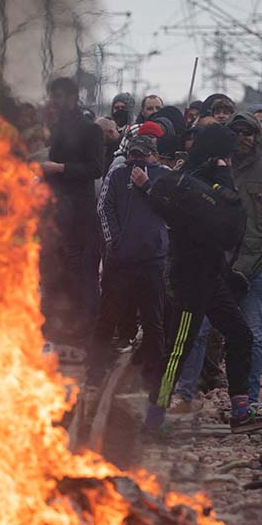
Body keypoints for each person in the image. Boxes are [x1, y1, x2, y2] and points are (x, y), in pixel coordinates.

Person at [132, 124, 262, 434]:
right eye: (226, 155)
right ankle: (154, 416)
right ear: (216, 154)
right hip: (191, 279)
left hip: (212, 275)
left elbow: (225, 223)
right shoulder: (192, 181)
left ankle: (241, 411)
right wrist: (148, 187)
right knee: (178, 349)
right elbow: (208, 216)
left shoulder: (203, 179)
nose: (229, 161)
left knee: (240, 335)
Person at [167, 111, 262, 413]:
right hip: (216, 268)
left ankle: (247, 401)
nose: (243, 138)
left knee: (251, 335)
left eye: (248, 132)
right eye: (236, 132)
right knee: (197, 333)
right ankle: (183, 395)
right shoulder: (212, 171)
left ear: (257, 136)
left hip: (256, 270)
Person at [86, 133, 170, 391]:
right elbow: (103, 208)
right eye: (133, 154)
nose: (137, 160)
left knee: (153, 320)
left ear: (153, 155)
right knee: (107, 317)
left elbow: (172, 207)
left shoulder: (163, 175)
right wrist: (114, 242)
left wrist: (147, 185)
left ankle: (152, 377)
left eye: (143, 155)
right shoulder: (117, 174)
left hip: (152, 259)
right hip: (120, 259)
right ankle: (95, 373)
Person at [40, 76, 106, 343]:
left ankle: (85, 333)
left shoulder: (90, 130)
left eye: (59, 96)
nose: (54, 102)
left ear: (72, 98)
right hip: (55, 214)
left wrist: (60, 169)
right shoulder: (54, 129)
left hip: (79, 216)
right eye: (52, 96)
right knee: (55, 274)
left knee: (82, 276)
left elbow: (95, 168)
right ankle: (57, 329)